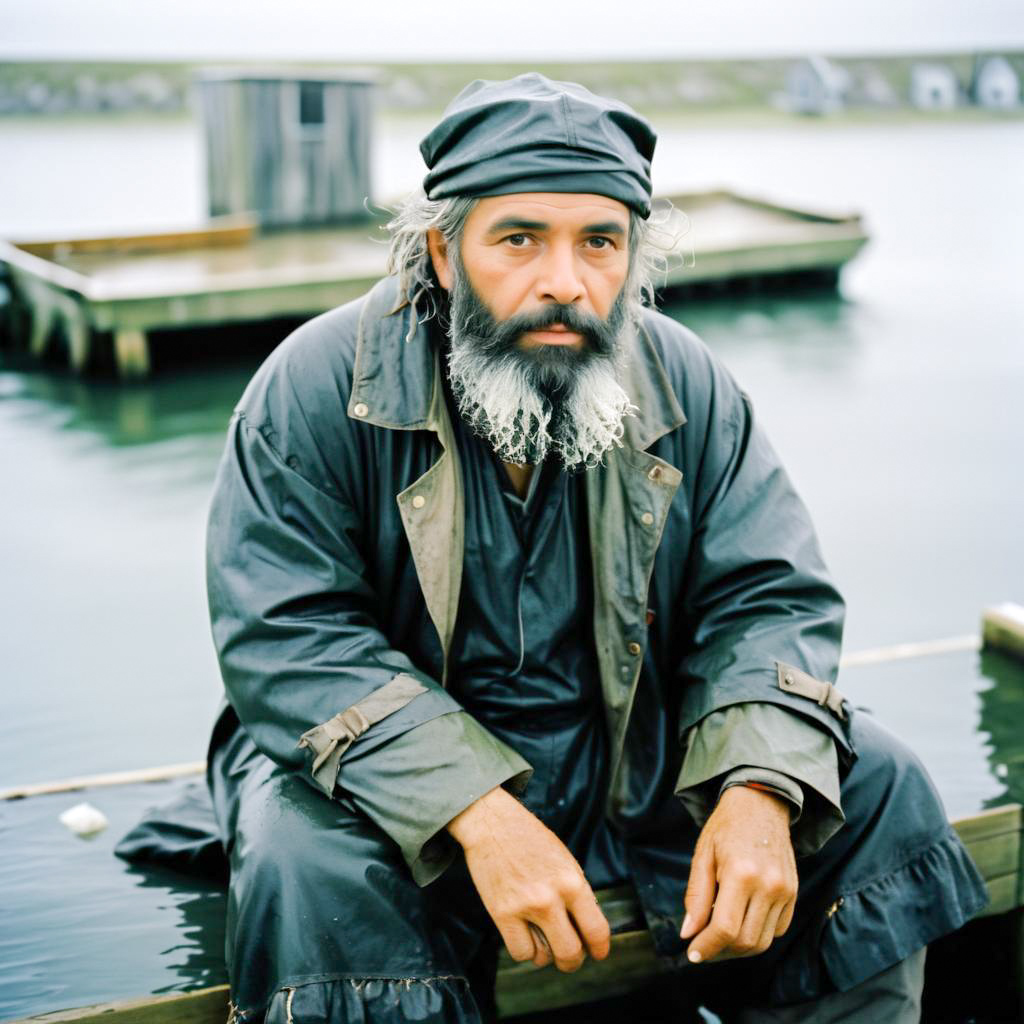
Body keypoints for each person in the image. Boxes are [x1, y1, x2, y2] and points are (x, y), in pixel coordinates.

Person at [202, 74, 986, 1023]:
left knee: (877, 785)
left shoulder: (684, 378)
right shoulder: (317, 388)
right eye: (520, 238)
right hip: (384, 776)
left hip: (627, 756)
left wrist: (759, 788)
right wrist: (477, 813)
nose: (565, 282)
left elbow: (767, 597)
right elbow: (290, 638)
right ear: (445, 254)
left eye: (599, 243)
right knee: (304, 865)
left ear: (632, 257)